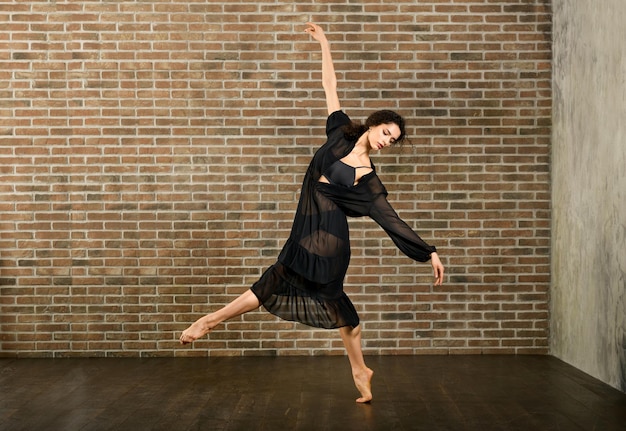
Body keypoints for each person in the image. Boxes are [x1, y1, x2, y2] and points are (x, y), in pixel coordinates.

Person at [180, 22, 444, 403]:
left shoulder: (367, 180)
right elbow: (329, 86)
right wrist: (325, 43)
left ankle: (210, 321)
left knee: (284, 283)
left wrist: (428, 251)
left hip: (329, 242)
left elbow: (392, 221)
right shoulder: (340, 132)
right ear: (373, 124)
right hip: (306, 231)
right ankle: (359, 368)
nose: (387, 142)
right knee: (334, 309)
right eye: (386, 132)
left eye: (393, 140)